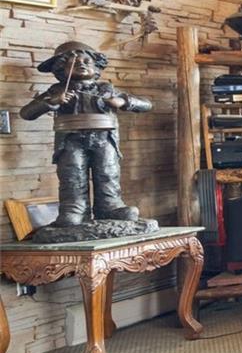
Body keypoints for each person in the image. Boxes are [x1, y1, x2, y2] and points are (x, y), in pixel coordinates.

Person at [20, 40, 153, 228]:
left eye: (86, 61)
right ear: (61, 70)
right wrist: (51, 102)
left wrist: (123, 101)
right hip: (70, 140)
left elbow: (146, 104)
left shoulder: (106, 90)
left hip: (105, 140)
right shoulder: (57, 91)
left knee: (107, 173)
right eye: (74, 63)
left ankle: (109, 206)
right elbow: (26, 113)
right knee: (72, 174)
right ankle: (74, 209)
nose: (81, 64)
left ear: (96, 66)